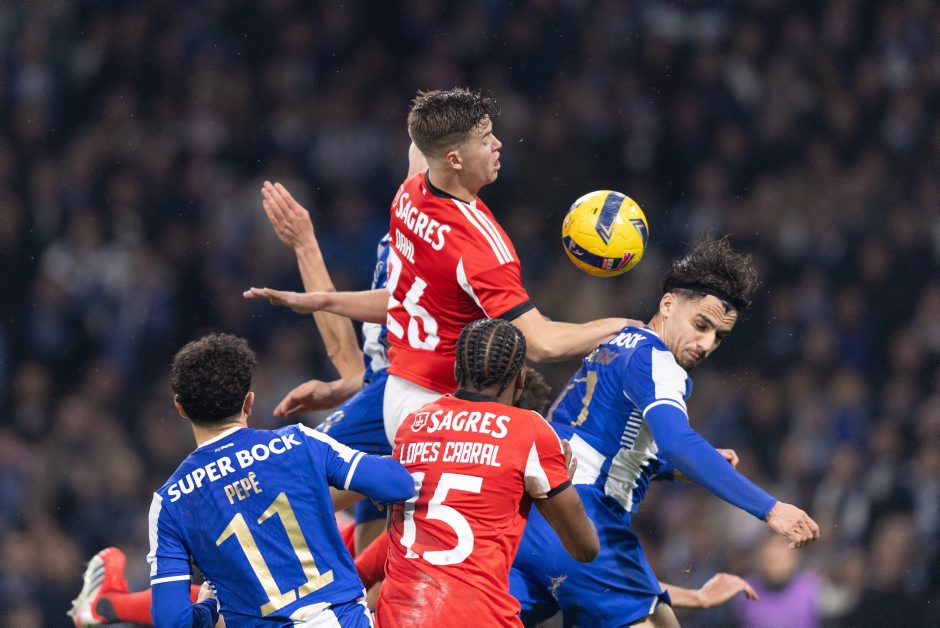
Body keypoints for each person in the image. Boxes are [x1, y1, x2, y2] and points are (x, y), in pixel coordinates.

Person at [245, 88, 634, 447]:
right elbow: (543, 344)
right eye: (485, 139)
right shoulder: (481, 248)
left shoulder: (408, 195)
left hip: (396, 390)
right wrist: (626, 327)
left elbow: (420, 143)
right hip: (439, 410)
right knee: (543, 473)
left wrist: (320, 301)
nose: (498, 144)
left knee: (332, 487)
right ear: (454, 159)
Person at [509, 236, 821, 627]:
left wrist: (669, 470)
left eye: (719, 336)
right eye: (701, 325)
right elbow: (677, 442)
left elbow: (593, 439)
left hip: (534, 523)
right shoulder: (656, 359)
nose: (706, 344)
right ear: (668, 304)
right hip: (587, 521)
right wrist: (771, 509)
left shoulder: (614, 345)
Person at [145, 333, 413, 626]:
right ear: (249, 402)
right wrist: (375, 487)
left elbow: (173, 621)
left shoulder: (169, 502)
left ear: (180, 408)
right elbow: (398, 484)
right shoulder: (299, 442)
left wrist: (210, 604)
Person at [376, 318, 599, 626]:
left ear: (457, 370)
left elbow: (394, 528)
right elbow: (585, 549)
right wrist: (560, 486)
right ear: (520, 379)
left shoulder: (413, 425)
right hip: (477, 616)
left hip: (398, 616)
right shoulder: (530, 430)